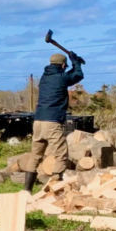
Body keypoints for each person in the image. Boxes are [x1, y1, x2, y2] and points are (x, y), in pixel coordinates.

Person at [23, 51, 84, 191]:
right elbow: (78, 75)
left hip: (38, 121)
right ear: (63, 65)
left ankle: (26, 190)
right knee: (61, 155)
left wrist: (74, 64)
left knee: (35, 156)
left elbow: (67, 75)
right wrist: (76, 63)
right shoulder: (62, 77)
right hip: (52, 122)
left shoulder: (44, 78)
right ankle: (55, 189)